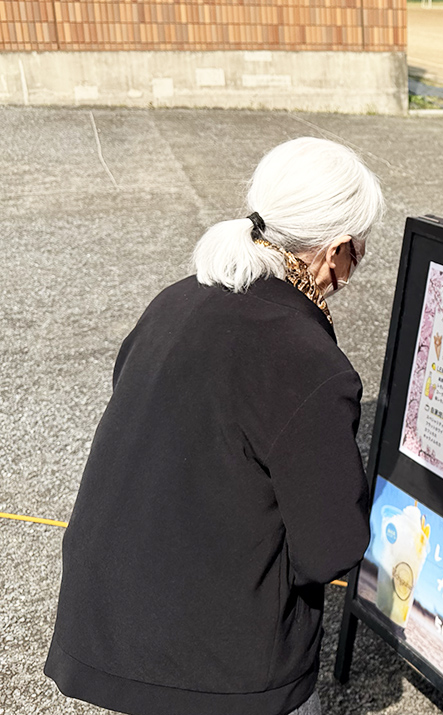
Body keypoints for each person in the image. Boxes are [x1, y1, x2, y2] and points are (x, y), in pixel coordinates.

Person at [45, 137, 385, 715]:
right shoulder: (307, 361)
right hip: (224, 668)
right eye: (359, 251)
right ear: (334, 252)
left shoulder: (174, 302)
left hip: (109, 626)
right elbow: (330, 550)